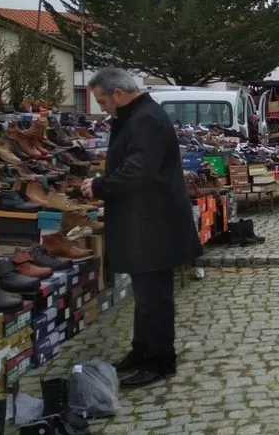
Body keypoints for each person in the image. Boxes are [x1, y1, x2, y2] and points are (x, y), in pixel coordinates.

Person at [80, 68, 201, 388]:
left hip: (154, 224)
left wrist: (100, 185)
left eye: (102, 100)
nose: (102, 107)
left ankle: (161, 361)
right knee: (145, 294)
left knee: (155, 296)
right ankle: (142, 350)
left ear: (119, 93)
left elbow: (138, 171)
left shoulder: (145, 118)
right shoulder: (138, 116)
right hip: (145, 222)